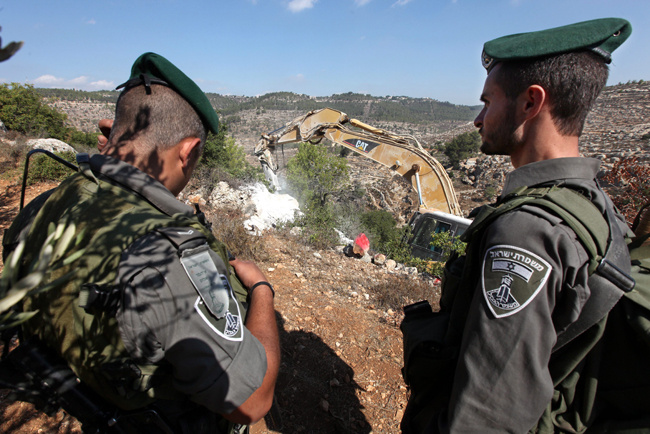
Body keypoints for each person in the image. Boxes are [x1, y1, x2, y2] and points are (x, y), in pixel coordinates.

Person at [2, 52, 279, 433]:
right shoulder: (171, 258)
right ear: (188, 151)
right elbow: (252, 402)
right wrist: (262, 290)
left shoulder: (54, 197)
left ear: (115, 131)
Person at [400, 18, 646, 433]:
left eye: (487, 102)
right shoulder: (597, 205)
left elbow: (488, 415)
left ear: (531, 103)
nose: (478, 120)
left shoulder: (525, 233)